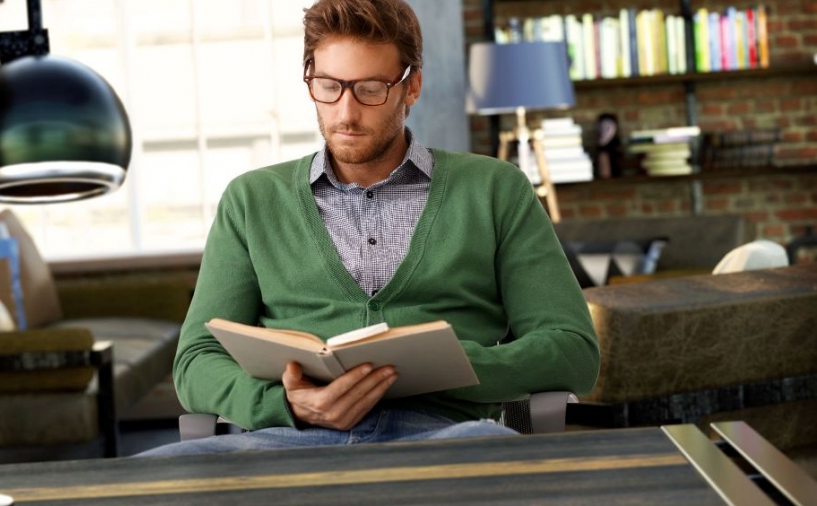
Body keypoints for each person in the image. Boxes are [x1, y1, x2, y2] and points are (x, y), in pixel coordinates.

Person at [138, 0, 598, 456]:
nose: (346, 113)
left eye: (371, 89)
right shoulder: (251, 200)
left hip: (444, 441)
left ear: (411, 86)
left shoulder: (495, 190)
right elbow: (196, 361)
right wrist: (288, 403)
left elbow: (572, 350)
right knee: (136, 483)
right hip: (284, 441)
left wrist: (444, 363)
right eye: (328, 87)